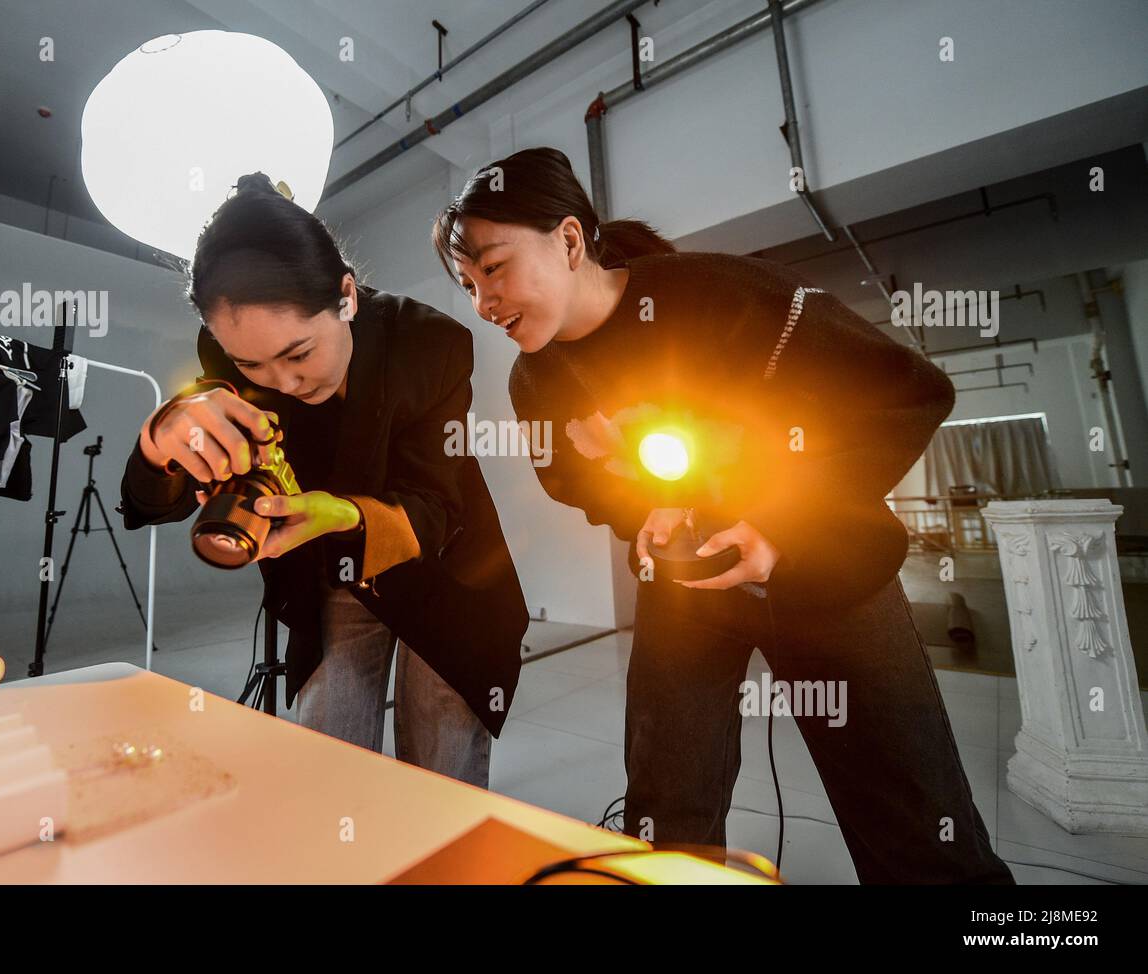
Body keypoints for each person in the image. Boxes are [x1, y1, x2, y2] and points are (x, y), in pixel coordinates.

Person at [431, 147, 1013, 883]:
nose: (484, 302)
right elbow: (573, 482)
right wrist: (641, 508)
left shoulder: (730, 294)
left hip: (835, 573)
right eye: (468, 283)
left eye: (495, 267)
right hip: (688, 591)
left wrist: (782, 528)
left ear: (571, 240)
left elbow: (908, 395)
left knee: (916, 821)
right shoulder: (536, 380)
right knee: (666, 809)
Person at [120, 173, 527, 788]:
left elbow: (435, 506)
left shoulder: (430, 344)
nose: (281, 383)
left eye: (299, 353)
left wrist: (339, 514)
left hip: (446, 568)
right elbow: (154, 502)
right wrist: (161, 439)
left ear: (346, 296)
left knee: (441, 778)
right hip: (334, 574)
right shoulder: (226, 361)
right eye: (250, 363)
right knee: (323, 770)